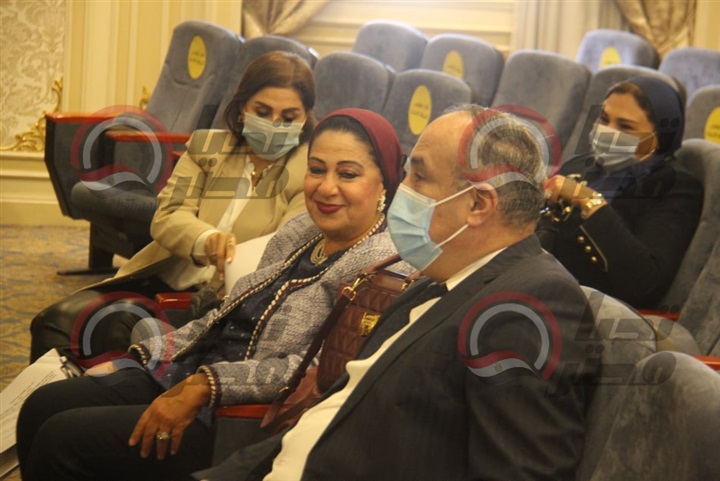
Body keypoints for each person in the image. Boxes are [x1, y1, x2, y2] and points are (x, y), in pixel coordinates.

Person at [193, 105, 599, 481]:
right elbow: (333, 410)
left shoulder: (529, 305)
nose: (401, 189)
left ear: (477, 204)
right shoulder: (432, 281)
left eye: (418, 178)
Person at [16, 108, 409, 480]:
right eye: (317, 169)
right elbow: (228, 313)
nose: (326, 187)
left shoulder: (382, 268)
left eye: (348, 174)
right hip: (189, 372)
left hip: (240, 416)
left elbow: (318, 372)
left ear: (384, 184)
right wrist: (143, 356)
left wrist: (208, 385)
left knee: (61, 439)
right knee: (43, 404)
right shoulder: (302, 231)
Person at [30, 51, 317, 362]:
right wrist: (206, 238)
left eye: (289, 117)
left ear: (305, 119)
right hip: (163, 275)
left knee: (114, 329)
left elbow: (282, 252)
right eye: (262, 112)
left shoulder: (311, 172)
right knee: (52, 322)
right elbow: (168, 216)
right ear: (241, 110)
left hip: (224, 302)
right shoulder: (208, 148)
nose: (274, 124)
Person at [538, 75, 703, 309]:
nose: (607, 131)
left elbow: (644, 283)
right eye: (603, 119)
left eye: (625, 126)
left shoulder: (675, 187)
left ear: (659, 138)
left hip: (591, 310)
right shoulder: (581, 165)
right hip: (540, 281)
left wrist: (589, 200)